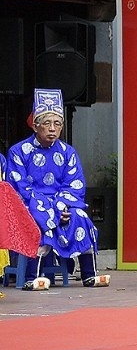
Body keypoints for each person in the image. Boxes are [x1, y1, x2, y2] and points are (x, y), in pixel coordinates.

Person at [6, 89, 108, 290]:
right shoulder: (18, 152)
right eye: (46, 123)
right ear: (35, 126)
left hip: (62, 205)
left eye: (57, 124)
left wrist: (61, 207)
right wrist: (51, 210)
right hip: (32, 205)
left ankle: (89, 274)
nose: (52, 129)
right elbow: (20, 187)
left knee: (80, 216)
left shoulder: (68, 153)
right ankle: (30, 277)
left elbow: (74, 185)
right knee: (42, 220)